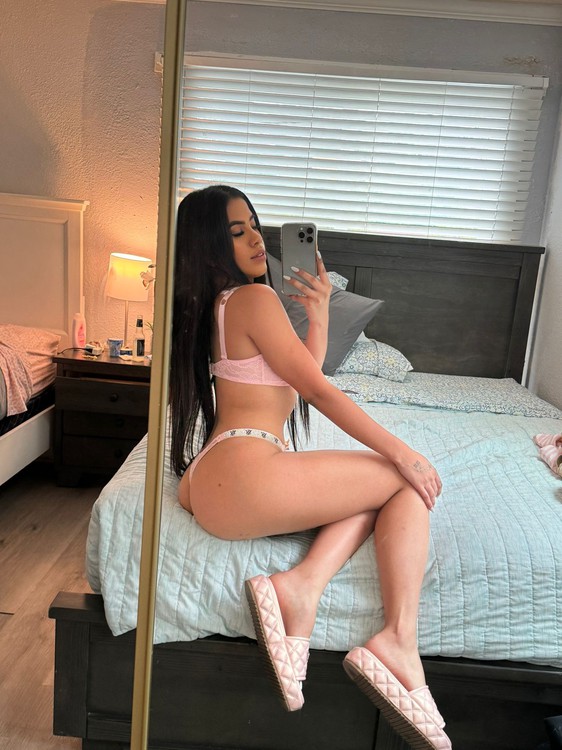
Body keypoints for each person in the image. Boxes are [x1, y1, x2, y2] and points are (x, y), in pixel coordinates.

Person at [170, 184, 451, 750]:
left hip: (216, 476)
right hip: (244, 471)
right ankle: (397, 638)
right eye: (237, 232)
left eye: (255, 226)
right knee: (403, 482)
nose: (256, 239)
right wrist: (403, 452)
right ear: (209, 247)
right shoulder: (254, 299)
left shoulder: (223, 304)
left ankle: (303, 587)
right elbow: (319, 392)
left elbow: (299, 379)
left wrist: (318, 312)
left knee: (370, 490)